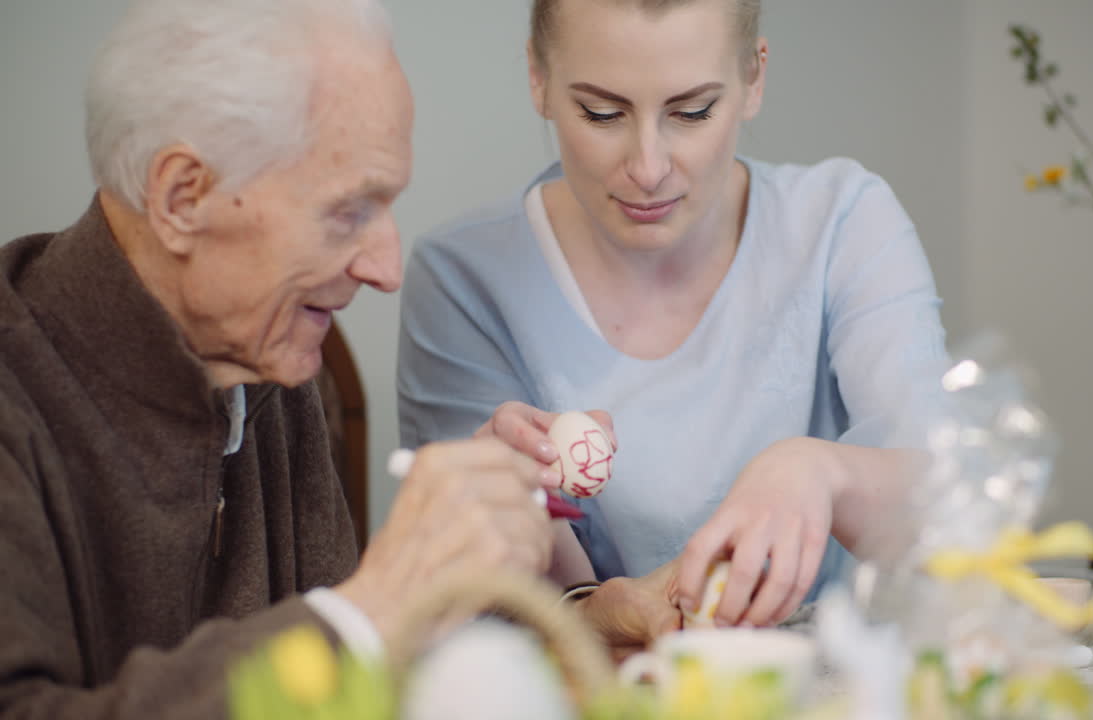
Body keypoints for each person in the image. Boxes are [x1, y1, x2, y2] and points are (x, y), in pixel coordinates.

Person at [0, 1, 557, 717]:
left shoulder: (272, 363)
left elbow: (344, 687)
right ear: (182, 198)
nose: (388, 269)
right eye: (349, 211)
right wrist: (375, 606)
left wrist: (458, 566)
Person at [397, 0, 949, 648]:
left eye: (692, 112)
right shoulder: (464, 278)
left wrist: (822, 472)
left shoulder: (842, 223)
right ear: (538, 78)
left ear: (754, 77)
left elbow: (947, 506)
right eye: (601, 113)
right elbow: (504, 617)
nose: (648, 168)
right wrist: (568, 579)